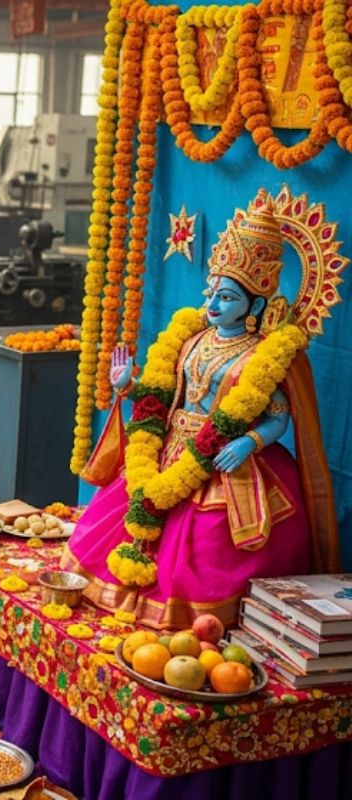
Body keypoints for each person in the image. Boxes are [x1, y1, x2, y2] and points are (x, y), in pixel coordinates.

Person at [64, 200, 340, 630]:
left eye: (227, 297)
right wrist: (128, 386)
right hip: (166, 449)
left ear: (254, 304)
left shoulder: (266, 354)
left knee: (206, 547)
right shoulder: (192, 337)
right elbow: (163, 396)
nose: (213, 303)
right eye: (211, 292)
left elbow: (280, 417)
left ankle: (190, 617)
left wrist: (249, 441)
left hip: (224, 456)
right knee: (117, 516)